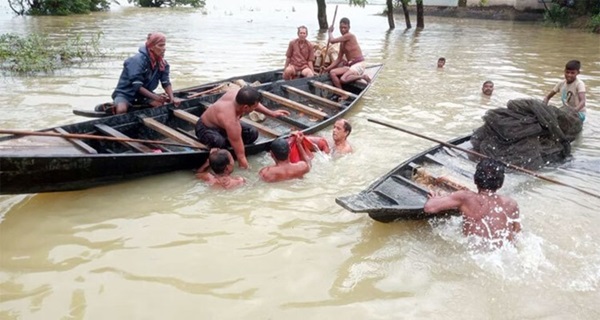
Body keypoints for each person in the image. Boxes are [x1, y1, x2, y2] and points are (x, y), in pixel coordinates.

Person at [424, 159, 521, 248]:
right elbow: (516, 232)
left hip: (477, 251)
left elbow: (429, 208)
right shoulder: (511, 203)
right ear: (500, 184)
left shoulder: (465, 197)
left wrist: (434, 198)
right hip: (503, 252)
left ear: (475, 179)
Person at [195, 86, 290, 169]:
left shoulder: (238, 95)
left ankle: (233, 140)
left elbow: (254, 103)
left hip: (224, 126)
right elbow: (241, 157)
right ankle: (232, 140)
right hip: (205, 127)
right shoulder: (231, 121)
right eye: (253, 107)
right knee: (220, 143)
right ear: (245, 108)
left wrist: (272, 113)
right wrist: (246, 169)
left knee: (252, 133)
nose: (255, 108)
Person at [110, 32, 182, 114]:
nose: (164, 48)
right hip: (126, 94)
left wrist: (172, 99)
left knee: (161, 106)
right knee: (121, 110)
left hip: (144, 95)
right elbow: (137, 86)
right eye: (160, 45)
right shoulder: (137, 60)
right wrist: (155, 97)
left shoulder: (163, 64)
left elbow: (165, 82)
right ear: (151, 47)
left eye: (164, 45)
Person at [322, 17, 370, 89]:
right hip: (351, 65)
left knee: (343, 79)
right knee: (332, 73)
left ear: (349, 27)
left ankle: (363, 77)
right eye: (341, 28)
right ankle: (341, 93)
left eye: (345, 27)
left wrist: (329, 32)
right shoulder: (342, 43)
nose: (343, 30)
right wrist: (327, 69)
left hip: (359, 64)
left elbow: (332, 41)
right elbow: (338, 59)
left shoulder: (350, 36)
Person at [288, 119, 353, 162]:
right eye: (334, 127)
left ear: (346, 133)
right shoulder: (328, 139)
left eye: (338, 128)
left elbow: (330, 164)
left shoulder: (344, 151)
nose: (334, 130)